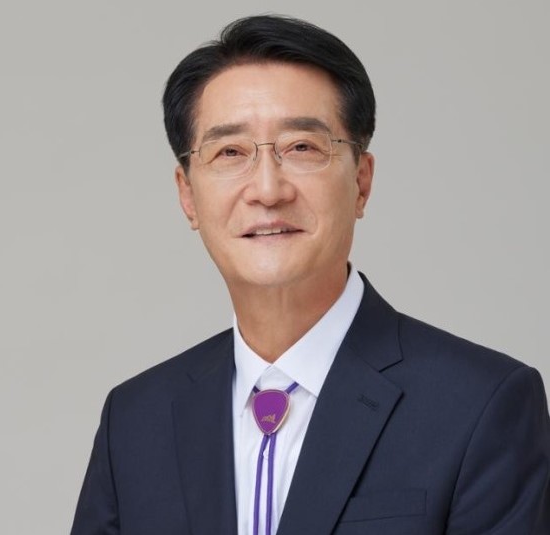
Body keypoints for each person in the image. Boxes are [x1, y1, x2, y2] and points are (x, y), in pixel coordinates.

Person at [71, 14, 550, 535]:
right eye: (230, 152)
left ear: (361, 182)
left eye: (302, 147)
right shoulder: (135, 422)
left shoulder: (482, 405)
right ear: (188, 195)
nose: (268, 190)